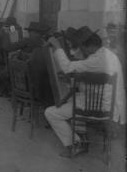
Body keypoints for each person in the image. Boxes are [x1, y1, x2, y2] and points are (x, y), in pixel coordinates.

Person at [45, 28, 126, 158]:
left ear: (91, 46)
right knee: (73, 99)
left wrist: (57, 46)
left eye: (83, 47)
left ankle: (75, 144)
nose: (82, 50)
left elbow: (66, 67)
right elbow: (91, 75)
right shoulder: (107, 54)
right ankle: (82, 137)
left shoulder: (96, 60)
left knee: (51, 113)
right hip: (110, 105)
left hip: (101, 108)